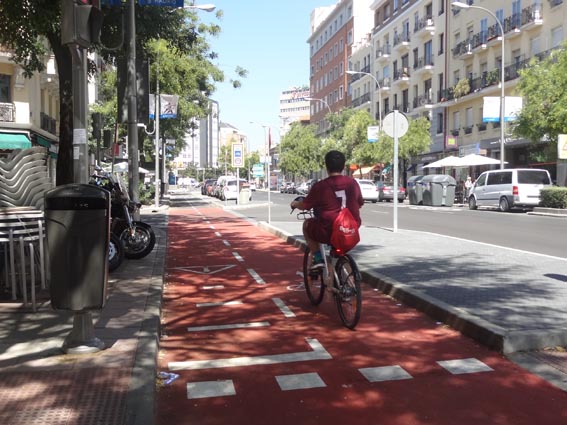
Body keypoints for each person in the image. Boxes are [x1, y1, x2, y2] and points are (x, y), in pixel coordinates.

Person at [290, 150, 364, 270]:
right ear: (343, 166)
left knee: (307, 225)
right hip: (350, 230)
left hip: (328, 230)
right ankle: (344, 281)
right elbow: (360, 202)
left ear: (326, 166)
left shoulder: (321, 186)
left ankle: (318, 258)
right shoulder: (353, 183)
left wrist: (295, 204)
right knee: (338, 251)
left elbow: (305, 205)